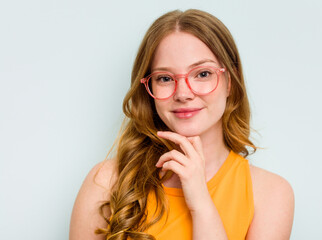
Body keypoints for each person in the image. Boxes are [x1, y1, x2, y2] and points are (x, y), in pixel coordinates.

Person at [69, 9, 294, 240]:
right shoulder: (106, 181)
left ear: (230, 83)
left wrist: (201, 203)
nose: (183, 94)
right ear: (149, 89)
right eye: (165, 78)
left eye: (203, 73)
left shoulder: (270, 194)